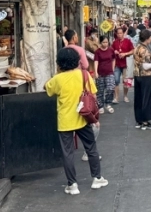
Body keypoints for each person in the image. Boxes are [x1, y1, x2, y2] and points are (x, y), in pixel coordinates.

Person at [44, 47, 109, 195]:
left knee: (67, 153)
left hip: (65, 120)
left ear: (59, 63)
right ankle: (97, 178)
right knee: (91, 148)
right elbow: (93, 95)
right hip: (84, 117)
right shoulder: (84, 75)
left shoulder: (58, 79)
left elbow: (47, 88)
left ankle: (72, 185)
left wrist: (58, 75)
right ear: (77, 61)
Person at [132, 29, 151, 129]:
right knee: (146, 98)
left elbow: (142, 61)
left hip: (137, 75)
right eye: (150, 37)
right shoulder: (145, 49)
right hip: (146, 75)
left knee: (138, 98)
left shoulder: (137, 47)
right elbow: (146, 66)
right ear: (147, 39)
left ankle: (139, 119)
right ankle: (145, 121)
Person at [93, 36, 116, 114]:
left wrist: (113, 68)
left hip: (109, 72)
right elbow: (96, 61)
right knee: (100, 91)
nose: (105, 44)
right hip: (100, 73)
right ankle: (100, 106)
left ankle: (108, 103)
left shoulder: (111, 50)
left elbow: (113, 59)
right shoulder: (97, 52)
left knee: (111, 88)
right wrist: (95, 72)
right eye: (103, 42)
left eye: (106, 42)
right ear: (100, 43)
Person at [112, 27, 134, 105]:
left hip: (125, 64)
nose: (119, 35)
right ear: (116, 34)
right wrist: (114, 51)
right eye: (118, 33)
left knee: (125, 81)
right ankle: (116, 97)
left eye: (121, 33)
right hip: (117, 64)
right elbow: (111, 52)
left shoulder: (128, 41)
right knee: (116, 81)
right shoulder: (114, 42)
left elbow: (133, 50)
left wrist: (125, 54)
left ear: (123, 33)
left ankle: (125, 96)